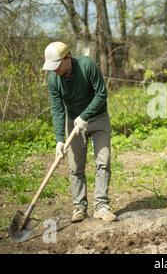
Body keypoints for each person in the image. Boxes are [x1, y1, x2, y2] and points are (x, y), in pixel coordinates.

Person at [42, 41, 117, 223]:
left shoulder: (86, 65)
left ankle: (101, 206)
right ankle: (79, 207)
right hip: (73, 121)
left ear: (68, 57)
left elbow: (101, 94)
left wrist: (85, 116)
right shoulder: (53, 79)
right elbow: (58, 110)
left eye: (57, 65)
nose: (55, 70)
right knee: (75, 166)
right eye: (52, 67)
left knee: (103, 161)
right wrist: (60, 139)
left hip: (98, 118)